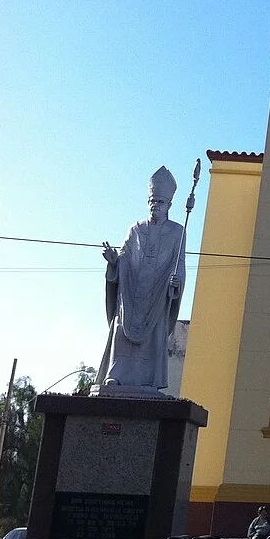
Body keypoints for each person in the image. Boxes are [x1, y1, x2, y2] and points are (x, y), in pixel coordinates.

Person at [96, 166, 187, 392]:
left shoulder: (178, 232)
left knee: (154, 333)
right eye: (152, 201)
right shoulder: (135, 229)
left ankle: (148, 380)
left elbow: (179, 264)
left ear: (169, 205)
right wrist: (114, 261)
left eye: (160, 202)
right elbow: (125, 256)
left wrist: (176, 281)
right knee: (120, 327)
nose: (155, 206)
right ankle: (114, 375)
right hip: (132, 293)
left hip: (157, 296)